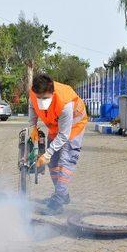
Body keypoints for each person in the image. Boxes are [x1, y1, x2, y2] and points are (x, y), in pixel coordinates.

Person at [29, 73, 88, 215]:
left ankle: (59, 199)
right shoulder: (33, 93)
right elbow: (32, 107)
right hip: (55, 126)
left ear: (52, 92)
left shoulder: (65, 102)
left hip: (73, 126)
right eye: (39, 98)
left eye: (45, 98)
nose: (41, 101)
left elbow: (64, 135)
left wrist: (47, 153)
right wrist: (33, 127)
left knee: (65, 160)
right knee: (53, 162)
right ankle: (62, 194)